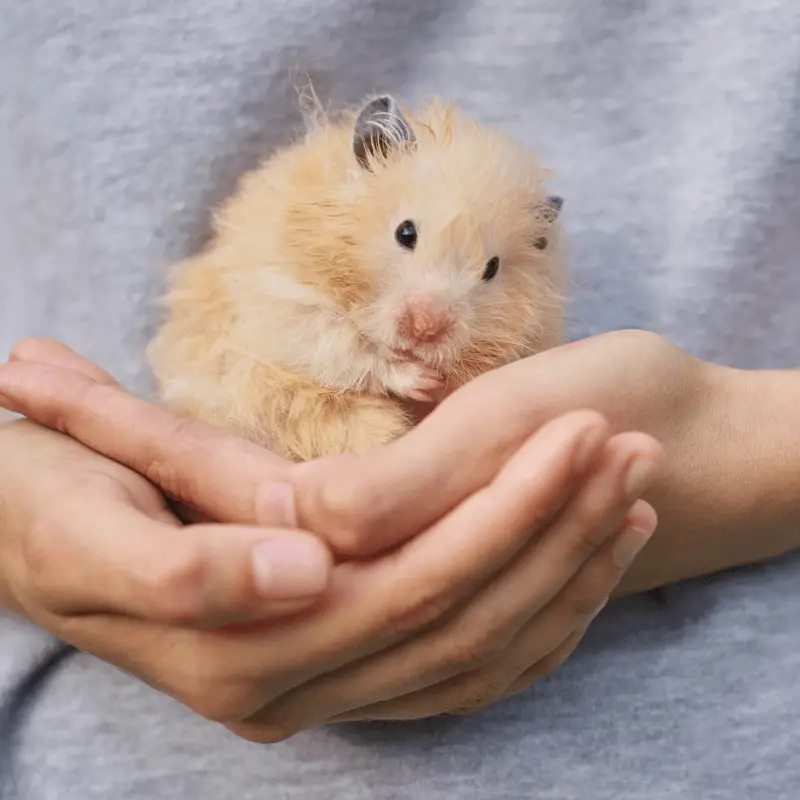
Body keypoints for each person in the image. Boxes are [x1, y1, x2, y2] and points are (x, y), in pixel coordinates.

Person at [2, 1, 799, 798]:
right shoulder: (288, 226)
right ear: (367, 154)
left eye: (487, 272)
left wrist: (736, 454)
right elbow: (268, 319)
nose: (431, 313)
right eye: (409, 238)